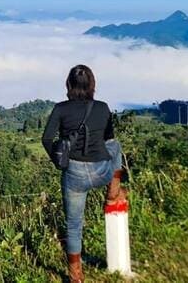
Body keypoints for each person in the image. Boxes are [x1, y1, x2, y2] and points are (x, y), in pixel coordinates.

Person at [42, 64, 126, 283]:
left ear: (68, 85)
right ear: (92, 85)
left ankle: (76, 275)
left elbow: (46, 139)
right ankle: (114, 190)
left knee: (73, 225)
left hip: (75, 175)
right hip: (102, 172)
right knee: (116, 147)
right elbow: (109, 140)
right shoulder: (103, 107)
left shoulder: (60, 109)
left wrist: (59, 161)